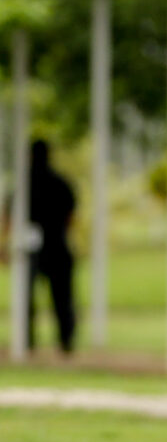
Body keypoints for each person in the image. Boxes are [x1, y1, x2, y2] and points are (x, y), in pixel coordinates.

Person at [28, 139, 77, 354]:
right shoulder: (60, 182)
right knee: (62, 298)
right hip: (57, 245)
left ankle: (28, 341)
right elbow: (71, 215)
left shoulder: (25, 183)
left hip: (33, 248)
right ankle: (65, 341)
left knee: (27, 298)